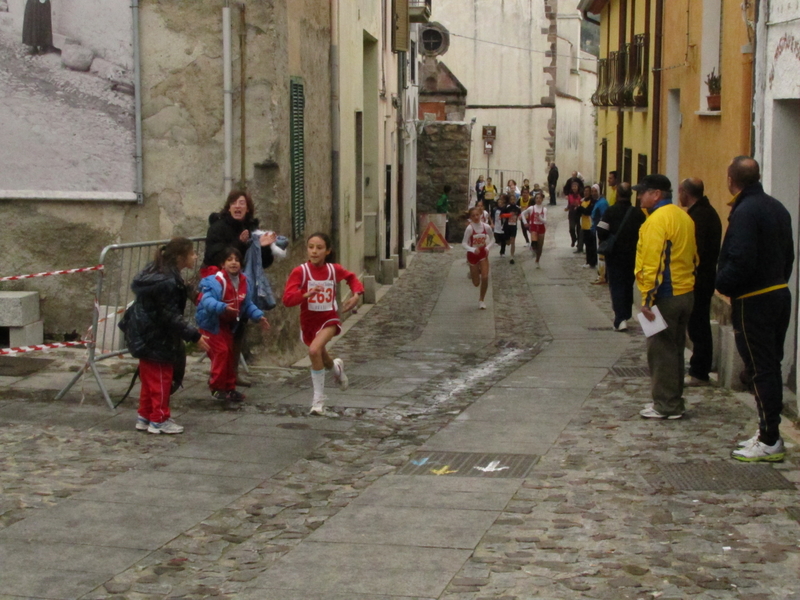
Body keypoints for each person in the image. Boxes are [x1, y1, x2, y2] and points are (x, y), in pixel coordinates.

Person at [716, 157, 794, 462]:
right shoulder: (777, 207)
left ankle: (770, 437)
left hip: (754, 299)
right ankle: (766, 432)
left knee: (761, 369)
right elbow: (788, 254)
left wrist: (722, 283)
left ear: (731, 179)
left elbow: (741, 258)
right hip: (778, 293)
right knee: (770, 365)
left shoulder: (745, 212)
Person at [123, 238, 210, 434]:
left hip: (145, 333)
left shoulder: (158, 272)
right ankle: (160, 419)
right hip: (156, 336)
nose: (195, 257)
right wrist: (194, 335)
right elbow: (169, 315)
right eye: (191, 253)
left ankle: (145, 416)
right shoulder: (168, 281)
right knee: (162, 378)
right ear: (181, 257)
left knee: (149, 380)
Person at [634, 174, 697, 420]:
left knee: (660, 352)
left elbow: (653, 262)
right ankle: (673, 400)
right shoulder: (684, 217)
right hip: (685, 292)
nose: (640, 196)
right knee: (676, 349)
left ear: (656, 194)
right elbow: (694, 256)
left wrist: (647, 300)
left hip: (665, 295)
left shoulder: (656, 221)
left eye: (644, 192)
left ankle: (666, 405)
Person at [203, 190, 280, 386]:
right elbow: (214, 255)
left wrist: (262, 246)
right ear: (228, 207)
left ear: (248, 208)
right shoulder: (218, 228)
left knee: (238, 330)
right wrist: (241, 243)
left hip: (242, 285)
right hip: (220, 285)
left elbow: (264, 262)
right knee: (220, 331)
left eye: (242, 203)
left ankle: (232, 374)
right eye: (234, 203)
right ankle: (219, 375)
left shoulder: (253, 230)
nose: (238, 206)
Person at [282, 233, 364, 416]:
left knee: (313, 351)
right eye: (311, 247)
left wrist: (356, 294)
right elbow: (287, 299)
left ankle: (318, 401)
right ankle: (336, 367)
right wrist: (305, 294)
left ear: (327, 251)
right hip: (309, 323)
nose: (314, 251)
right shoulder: (300, 272)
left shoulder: (333, 270)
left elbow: (352, 278)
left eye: (319, 248)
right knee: (321, 356)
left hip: (329, 319)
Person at [196, 248, 270, 405]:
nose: (234, 262)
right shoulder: (215, 282)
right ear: (223, 264)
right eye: (229, 259)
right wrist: (222, 307)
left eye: (236, 259)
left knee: (230, 354)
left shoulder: (244, 281)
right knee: (221, 352)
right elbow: (206, 301)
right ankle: (216, 388)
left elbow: (246, 303)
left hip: (227, 324)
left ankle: (229, 388)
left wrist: (258, 316)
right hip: (211, 323)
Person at [678, 178, 722, 386]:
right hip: (703, 277)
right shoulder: (704, 212)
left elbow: (697, 249)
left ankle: (700, 370)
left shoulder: (700, 216)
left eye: (681, 191)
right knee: (698, 323)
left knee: (698, 325)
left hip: (700, 279)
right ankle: (699, 367)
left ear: (687, 192)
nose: (679, 196)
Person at [596, 183, 646, 330]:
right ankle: (626, 313)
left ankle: (620, 318)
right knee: (628, 284)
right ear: (631, 195)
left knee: (616, 285)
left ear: (617, 194)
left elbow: (601, 230)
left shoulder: (611, 212)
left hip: (615, 255)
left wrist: (609, 238)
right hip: (632, 255)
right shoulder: (638, 214)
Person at [462, 207, 495, 309]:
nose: (476, 217)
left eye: (477, 215)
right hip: (472, 256)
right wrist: (472, 249)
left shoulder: (486, 227)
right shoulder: (470, 228)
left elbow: (493, 239)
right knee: (476, 283)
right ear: (470, 217)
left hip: (482, 254)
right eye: (473, 216)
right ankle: (474, 271)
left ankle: (481, 300)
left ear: (481, 215)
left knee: (485, 277)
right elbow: (463, 243)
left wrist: (488, 247)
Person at [521, 191, 547, 268]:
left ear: (542, 199)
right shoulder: (531, 208)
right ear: (535, 199)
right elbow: (522, 214)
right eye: (537, 198)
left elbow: (545, 220)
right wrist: (525, 222)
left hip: (541, 227)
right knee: (535, 243)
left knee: (540, 246)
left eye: (540, 198)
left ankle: (537, 260)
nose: (538, 200)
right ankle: (533, 246)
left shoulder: (544, 209)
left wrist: (540, 217)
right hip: (534, 227)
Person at [591, 185, 610, 284]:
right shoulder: (598, 202)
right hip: (597, 230)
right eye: (592, 191)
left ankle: (602, 276)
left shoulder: (602, 203)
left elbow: (604, 217)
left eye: (595, 191)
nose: (593, 193)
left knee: (601, 255)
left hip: (601, 231)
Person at [576, 185, 597, 268]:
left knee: (591, 246)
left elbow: (587, 211)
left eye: (588, 191)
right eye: (585, 191)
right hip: (584, 225)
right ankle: (588, 261)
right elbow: (579, 212)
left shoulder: (592, 202)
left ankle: (592, 262)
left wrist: (579, 207)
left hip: (590, 226)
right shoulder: (583, 201)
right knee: (587, 245)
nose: (586, 192)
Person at [500, 193, 522, 264]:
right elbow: (501, 215)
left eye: (514, 199)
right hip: (507, 226)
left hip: (513, 226)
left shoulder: (518, 208)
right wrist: (509, 215)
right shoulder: (506, 207)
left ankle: (512, 257)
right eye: (511, 199)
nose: (513, 201)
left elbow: (519, 214)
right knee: (508, 242)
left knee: (513, 242)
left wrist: (520, 217)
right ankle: (505, 243)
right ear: (509, 200)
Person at [565, 181, 582, 250]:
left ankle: (578, 242)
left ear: (578, 187)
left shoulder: (580, 195)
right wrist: (568, 207)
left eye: (575, 186)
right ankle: (573, 239)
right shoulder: (570, 195)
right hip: (571, 213)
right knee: (571, 228)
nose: (574, 188)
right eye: (573, 187)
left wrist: (578, 205)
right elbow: (569, 204)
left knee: (578, 228)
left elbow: (582, 203)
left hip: (578, 213)